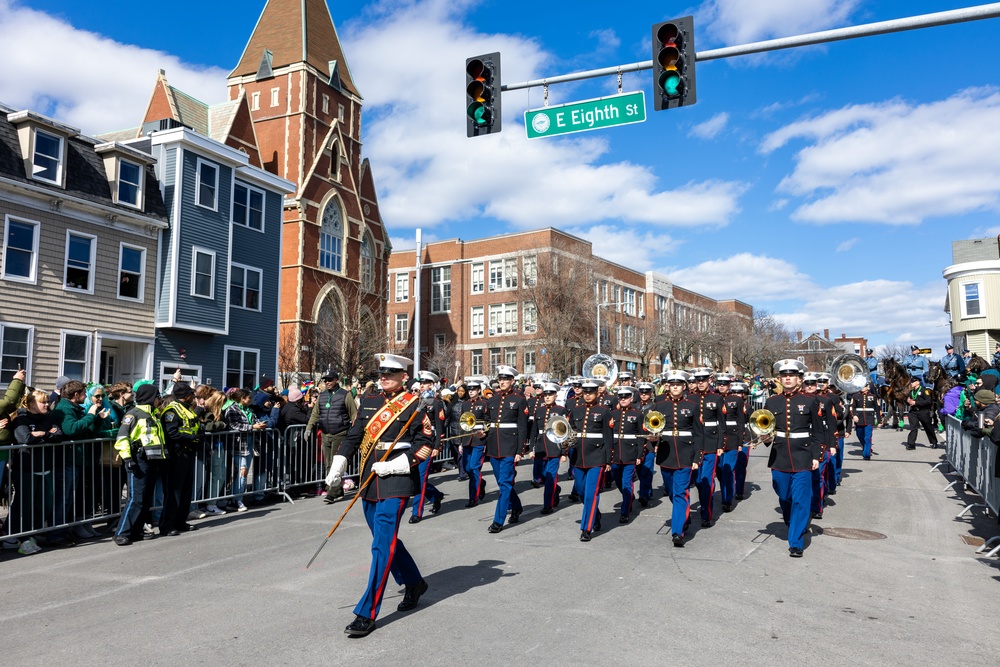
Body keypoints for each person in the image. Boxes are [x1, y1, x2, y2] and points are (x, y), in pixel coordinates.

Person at [325, 353, 434, 638]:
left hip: (396, 479)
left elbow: (425, 442)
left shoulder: (414, 405)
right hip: (369, 479)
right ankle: (413, 582)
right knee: (384, 541)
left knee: (380, 547)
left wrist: (398, 464)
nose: (383, 378)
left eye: (390, 373)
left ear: (404, 377)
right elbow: (354, 436)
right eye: (381, 373)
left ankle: (367, 612)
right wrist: (339, 462)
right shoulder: (369, 402)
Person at [759, 359, 824, 558]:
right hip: (780, 456)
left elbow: (819, 431)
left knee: (801, 500)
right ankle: (791, 520)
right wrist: (764, 437)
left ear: (799, 379)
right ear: (780, 379)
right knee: (784, 494)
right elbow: (766, 427)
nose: (788, 379)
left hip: (803, 456)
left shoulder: (811, 401)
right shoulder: (772, 402)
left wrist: (817, 455)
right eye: (784, 376)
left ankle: (795, 542)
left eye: (792, 376)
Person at [651, 370, 701, 547]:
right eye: (672, 385)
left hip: (686, 454)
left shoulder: (692, 405)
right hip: (666, 453)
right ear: (667, 386)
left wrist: (697, 456)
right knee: (672, 492)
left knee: (680, 492)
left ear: (684, 386)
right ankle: (684, 515)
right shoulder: (659, 405)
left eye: (678, 385)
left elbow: (698, 433)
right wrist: (652, 440)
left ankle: (677, 532)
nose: (675, 388)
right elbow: (651, 428)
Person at [7, 387, 60, 554]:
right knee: (23, 504)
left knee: (43, 503)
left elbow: (59, 436)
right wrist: (42, 435)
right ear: (31, 404)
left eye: (47, 401)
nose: (46, 404)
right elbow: (26, 438)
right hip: (25, 468)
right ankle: (12, 536)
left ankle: (34, 534)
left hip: (45, 467)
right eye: (42, 402)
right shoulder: (20, 420)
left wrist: (41, 434)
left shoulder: (48, 417)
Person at [113, 384, 167, 546]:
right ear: (151, 398)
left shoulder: (154, 415)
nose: (159, 400)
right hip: (138, 460)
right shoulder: (134, 414)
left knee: (145, 498)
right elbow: (122, 438)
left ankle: (136, 531)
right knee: (135, 499)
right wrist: (128, 458)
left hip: (152, 461)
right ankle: (122, 532)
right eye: (158, 396)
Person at [482, 365, 527, 533]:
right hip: (494, 446)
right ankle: (516, 506)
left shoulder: (519, 399)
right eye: (500, 379)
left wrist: (519, 451)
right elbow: (487, 422)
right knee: (502, 483)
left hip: (510, 447)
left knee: (506, 483)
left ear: (512, 381)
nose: (502, 382)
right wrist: (481, 433)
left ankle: (498, 520)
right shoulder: (492, 399)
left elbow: (522, 428)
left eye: (505, 379)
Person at [567, 379, 612, 541]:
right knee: (580, 490)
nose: (587, 395)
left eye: (590, 392)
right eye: (585, 392)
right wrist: (565, 449)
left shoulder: (604, 411)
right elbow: (570, 433)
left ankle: (586, 528)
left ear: (597, 393)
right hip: (579, 456)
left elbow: (608, 437)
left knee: (591, 493)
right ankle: (596, 515)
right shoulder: (576, 410)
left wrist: (608, 460)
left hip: (597, 457)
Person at [307, 371, 357, 504]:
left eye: (329, 380)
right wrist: (308, 428)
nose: (327, 382)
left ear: (336, 380)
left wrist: (354, 431)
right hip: (325, 434)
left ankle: (332, 492)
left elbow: (353, 414)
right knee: (328, 462)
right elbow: (315, 414)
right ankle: (337, 489)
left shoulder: (345, 395)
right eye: (325, 380)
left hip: (340, 433)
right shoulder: (322, 396)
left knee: (335, 463)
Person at [159, 383, 202, 536]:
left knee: (185, 491)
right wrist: (192, 437)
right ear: (186, 395)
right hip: (177, 455)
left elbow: (192, 425)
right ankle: (167, 525)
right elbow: (172, 433)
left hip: (188, 453)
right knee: (174, 492)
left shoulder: (186, 409)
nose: (194, 397)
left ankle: (180, 521)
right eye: (192, 394)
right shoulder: (171, 410)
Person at [689, 368, 724, 528]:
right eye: (698, 380)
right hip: (695, 444)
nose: (701, 383)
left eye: (703, 380)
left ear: (709, 380)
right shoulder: (690, 399)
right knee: (696, 480)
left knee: (706, 480)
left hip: (710, 442)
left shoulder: (716, 398)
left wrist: (720, 445)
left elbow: (722, 424)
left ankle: (706, 514)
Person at [409, 371, 445, 523]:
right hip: (413, 444)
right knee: (414, 477)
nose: (421, 385)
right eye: (420, 383)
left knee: (421, 478)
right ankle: (435, 495)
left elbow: (440, 426)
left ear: (431, 385)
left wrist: (437, 446)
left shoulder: (436, 403)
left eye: (424, 383)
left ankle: (417, 512)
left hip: (428, 445)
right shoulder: (415, 401)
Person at [224, 388, 267, 512]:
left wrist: (260, 424)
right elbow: (234, 425)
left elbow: (254, 420)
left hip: (250, 444)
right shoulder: (231, 409)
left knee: (245, 472)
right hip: (238, 445)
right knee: (241, 472)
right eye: (248, 397)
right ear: (242, 398)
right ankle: (237, 499)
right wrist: (252, 427)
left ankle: (238, 497)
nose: (250, 400)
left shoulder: (249, 410)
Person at [530, 382, 566, 514]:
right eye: (545, 395)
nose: (547, 397)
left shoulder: (561, 410)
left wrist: (563, 452)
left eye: (550, 395)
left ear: (556, 395)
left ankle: (547, 505)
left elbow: (564, 433)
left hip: (554, 448)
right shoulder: (539, 410)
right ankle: (555, 490)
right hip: (540, 447)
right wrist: (531, 448)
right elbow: (534, 430)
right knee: (543, 477)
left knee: (551, 477)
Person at [609, 387, 643, 523]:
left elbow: (641, 437)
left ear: (631, 398)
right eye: (620, 397)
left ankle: (625, 511)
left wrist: (639, 455)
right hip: (615, 453)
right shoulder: (612, 414)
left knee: (626, 482)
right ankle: (628, 497)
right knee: (617, 478)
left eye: (626, 397)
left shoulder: (637, 414)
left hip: (630, 453)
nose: (623, 399)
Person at [716, 373, 745, 511]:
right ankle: (725, 489)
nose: (721, 386)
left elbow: (740, 422)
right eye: (719, 384)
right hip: (715, 438)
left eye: (724, 384)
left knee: (728, 469)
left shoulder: (736, 400)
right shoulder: (713, 399)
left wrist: (740, 442)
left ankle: (727, 499)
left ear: (729, 386)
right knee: (719, 470)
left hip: (732, 437)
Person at [460, 381, 489, 507]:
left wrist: (485, 434)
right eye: (469, 389)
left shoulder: (484, 404)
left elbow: (489, 421)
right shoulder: (465, 404)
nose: (471, 391)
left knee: (474, 467)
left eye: (474, 389)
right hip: (467, 439)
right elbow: (463, 424)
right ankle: (481, 483)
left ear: (478, 390)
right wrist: (461, 442)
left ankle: (473, 498)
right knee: (467, 468)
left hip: (479, 440)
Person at [634, 381, 659, 507]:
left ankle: (644, 494)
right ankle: (647, 490)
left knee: (647, 470)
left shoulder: (655, 407)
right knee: (639, 469)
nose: (644, 395)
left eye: (646, 393)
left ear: (651, 393)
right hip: (637, 443)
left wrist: (657, 442)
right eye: (642, 393)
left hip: (650, 442)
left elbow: (659, 426)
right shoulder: (635, 406)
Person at [729, 382, 752, 500]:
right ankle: (730, 488)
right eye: (733, 392)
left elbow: (752, 423)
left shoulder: (748, 407)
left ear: (743, 394)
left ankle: (739, 490)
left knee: (741, 464)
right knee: (729, 465)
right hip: (732, 436)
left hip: (744, 436)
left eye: (738, 392)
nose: (736, 394)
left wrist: (754, 439)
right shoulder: (727, 404)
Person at [851, 383, 881, 461]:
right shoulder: (855, 396)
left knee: (867, 437)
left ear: (867, 387)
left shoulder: (873, 396)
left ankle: (867, 454)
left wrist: (879, 421)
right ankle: (866, 447)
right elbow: (852, 407)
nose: (862, 388)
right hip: (859, 419)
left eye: (864, 386)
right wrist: (854, 415)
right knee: (859, 435)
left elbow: (878, 409)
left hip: (869, 419)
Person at [905, 376, 937, 450]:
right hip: (913, 412)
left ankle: (934, 442)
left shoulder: (924, 391)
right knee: (913, 428)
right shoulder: (911, 392)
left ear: (918, 382)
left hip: (923, 411)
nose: (911, 383)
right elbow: (909, 401)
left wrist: (916, 403)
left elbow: (928, 401)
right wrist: (908, 401)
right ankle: (911, 444)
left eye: (913, 382)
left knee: (928, 427)